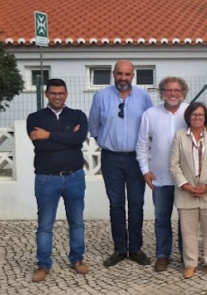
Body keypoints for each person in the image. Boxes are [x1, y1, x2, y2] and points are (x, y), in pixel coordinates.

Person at [89, 60, 153, 267]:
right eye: (119, 74)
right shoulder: (100, 97)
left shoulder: (143, 97)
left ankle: (135, 248)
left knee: (136, 204)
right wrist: (108, 143)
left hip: (136, 159)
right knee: (116, 205)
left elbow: (150, 125)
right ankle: (119, 249)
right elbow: (94, 127)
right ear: (113, 74)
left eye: (127, 74)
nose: (123, 78)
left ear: (133, 76)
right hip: (111, 158)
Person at [27, 79, 89, 282]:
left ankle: (77, 259)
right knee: (45, 224)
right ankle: (43, 265)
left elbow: (78, 140)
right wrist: (66, 137)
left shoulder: (78, 115)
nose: (57, 97)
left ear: (66, 94)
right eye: (53, 93)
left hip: (75, 177)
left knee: (77, 222)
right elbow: (41, 147)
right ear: (46, 94)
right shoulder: (34, 117)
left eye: (61, 93)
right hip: (46, 179)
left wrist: (49, 135)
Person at [136, 77, 189, 272]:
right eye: (168, 90)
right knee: (161, 219)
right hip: (160, 177)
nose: (173, 93)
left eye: (177, 90)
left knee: (186, 218)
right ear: (161, 92)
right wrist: (145, 170)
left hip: (186, 178)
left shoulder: (190, 112)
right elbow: (142, 145)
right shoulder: (150, 114)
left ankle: (187, 255)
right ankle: (163, 255)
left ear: (183, 92)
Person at [170, 102, 207, 278]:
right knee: (188, 231)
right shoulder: (180, 136)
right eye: (194, 115)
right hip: (186, 192)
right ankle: (190, 263)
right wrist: (185, 185)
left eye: (201, 115)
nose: (197, 118)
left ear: (206, 117)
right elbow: (173, 165)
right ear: (188, 117)